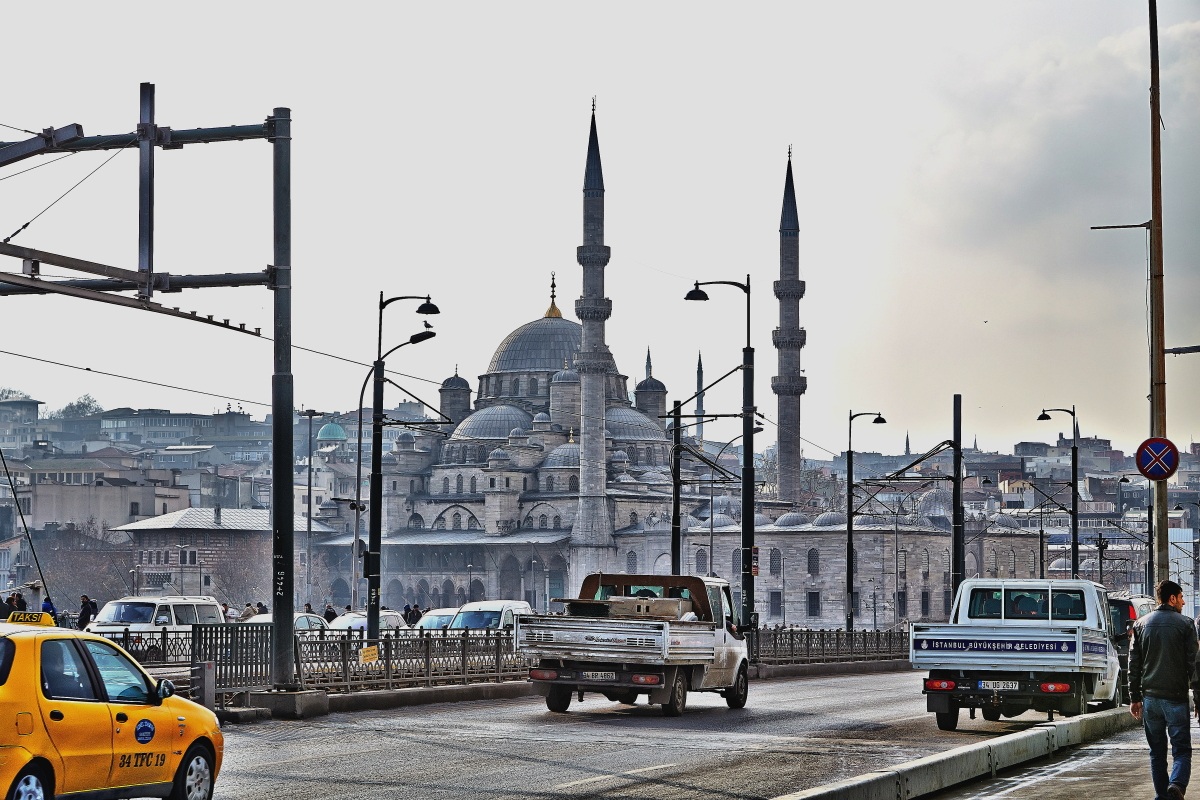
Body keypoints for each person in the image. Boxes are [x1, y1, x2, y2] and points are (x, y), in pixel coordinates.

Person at [1129, 579, 1199, 800]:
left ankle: (1162, 796)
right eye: (1181, 597)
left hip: (1151, 700)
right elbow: (1194, 667)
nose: (1183, 602)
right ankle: (1176, 785)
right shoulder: (1186, 625)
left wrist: (1134, 697)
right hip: (1176, 699)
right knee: (1182, 751)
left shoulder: (1140, 624)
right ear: (1172, 598)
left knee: (1156, 753)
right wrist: (1198, 698)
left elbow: (1134, 664)